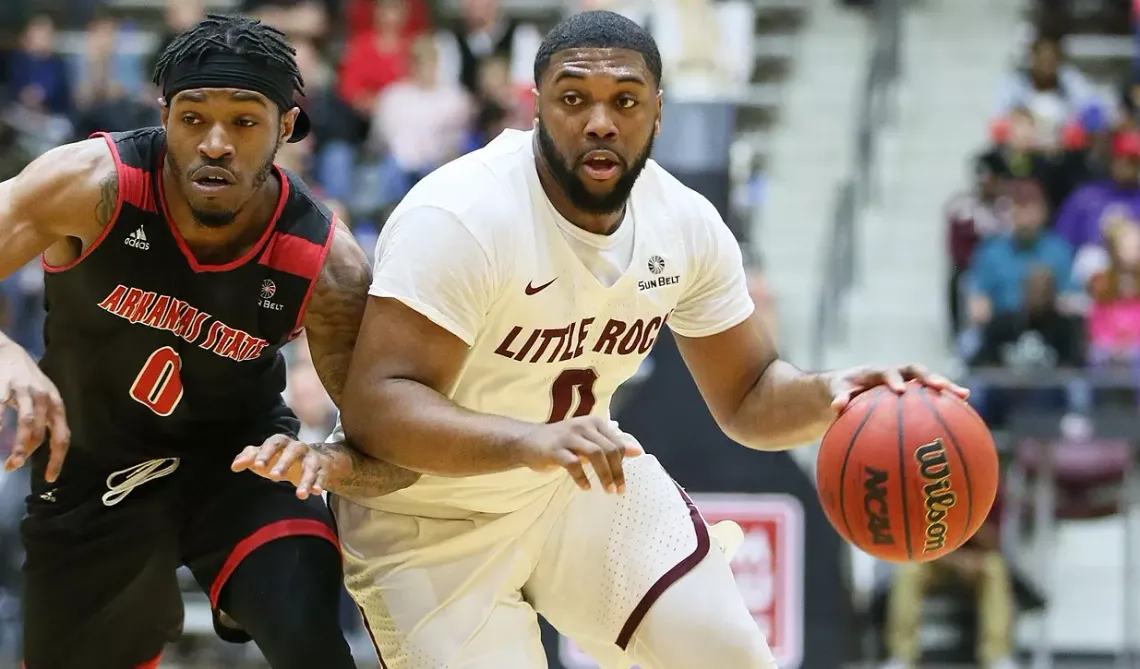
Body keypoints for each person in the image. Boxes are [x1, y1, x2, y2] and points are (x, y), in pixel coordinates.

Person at [239, 11, 967, 669]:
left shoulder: (684, 224)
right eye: (573, 98)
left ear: (656, 113)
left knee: (733, 657)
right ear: (536, 107)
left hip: (574, 490)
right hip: (425, 519)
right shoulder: (462, 215)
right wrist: (526, 442)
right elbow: (377, 409)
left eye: (624, 100)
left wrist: (833, 394)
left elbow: (749, 395)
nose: (599, 121)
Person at [0, 15, 418, 669]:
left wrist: (330, 457)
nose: (215, 143)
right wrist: (6, 354)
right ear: (164, 114)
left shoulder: (324, 259)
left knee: (312, 643)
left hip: (239, 468)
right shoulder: (87, 184)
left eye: (245, 122)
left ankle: (243, 582)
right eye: (193, 119)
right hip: (91, 473)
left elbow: (395, 448)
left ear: (286, 126)